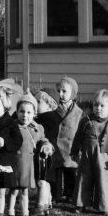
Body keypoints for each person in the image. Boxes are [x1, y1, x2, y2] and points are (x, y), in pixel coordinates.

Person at [70, 89, 108, 215]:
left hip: (103, 160)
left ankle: (102, 206)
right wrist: (74, 151)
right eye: (96, 105)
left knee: (102, 181)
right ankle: (80, 204)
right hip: (86, 157)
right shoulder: (85, 121)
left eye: (102, 105)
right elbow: (77, 137)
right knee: (83, 179)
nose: (98, 108)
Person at [36, 77, 84, 205]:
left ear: (73, 94)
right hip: (55, 144)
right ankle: (55, 194)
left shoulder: (79, 113)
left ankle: (70, 193)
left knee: (70, 171)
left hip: (70, 145)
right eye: (59, 91)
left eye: (64, 91)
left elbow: (81, 128)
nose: (61, 94)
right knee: (55, 170)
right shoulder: (53, 109)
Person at [7, 93, 52, 216]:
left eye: (28, 112)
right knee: (14, 190)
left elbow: (43, 139)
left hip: (28, 165)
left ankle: (25, 214)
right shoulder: (12, 126)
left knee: (25, 191)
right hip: (15, 164)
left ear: (34, 113)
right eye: (21, 111)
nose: (25, 115)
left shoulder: (37, 129)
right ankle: (10, 214)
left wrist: (47, 146)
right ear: (17, 112)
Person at [31, 91, 56, 216]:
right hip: (46, 152)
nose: (35, 104)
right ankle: (47, 203)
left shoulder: (47, 118)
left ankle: (40, 205)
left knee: (42, 180)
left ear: (49, 105)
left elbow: (44, 136)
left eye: (38, 102)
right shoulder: (43, 118)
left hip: (44, 153)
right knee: (45, 181)